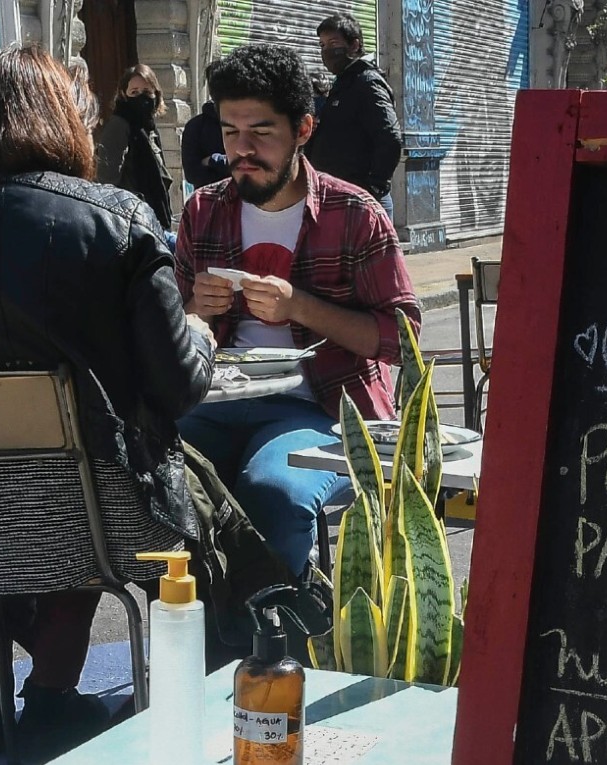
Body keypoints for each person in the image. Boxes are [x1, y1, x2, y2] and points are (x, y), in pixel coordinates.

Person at [0, 44, 213, 762]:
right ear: (68, 120)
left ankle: (29, 708)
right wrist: (203, 334)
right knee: (155, 504)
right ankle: (204, 706)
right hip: (97, 525)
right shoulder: (119, 216)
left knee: (59, 486)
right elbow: (178, 384)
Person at [175, 43, 420, 580]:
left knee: (273, 493)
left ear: (303, 129)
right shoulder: (203, 209)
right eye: (229, 132)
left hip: (319, 407)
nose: (243, 150)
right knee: (153, 486)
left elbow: (403, 340)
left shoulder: (354, 213)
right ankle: (207, 642)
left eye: (261, 133)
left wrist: (302, 307)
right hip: (212, 401)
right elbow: (171, 331)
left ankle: (268, 643)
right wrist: (194, 307)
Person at [305, 12, 404, 221]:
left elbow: (390, 137)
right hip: (339, 200)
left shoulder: (366, 82)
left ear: (355, 45)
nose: (327, 51)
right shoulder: (344, 83)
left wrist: (373, 189)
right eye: (322, 45)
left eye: (333, 43)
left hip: (361, 204)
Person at [95, 64, 174, 232]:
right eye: (134, 92)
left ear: (156, 94)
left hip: (153, 220)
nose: (141, 98)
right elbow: (106, 179)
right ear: (124, 95)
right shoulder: (119, 125)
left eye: (146, 92)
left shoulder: (149, 128)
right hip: (131, 223)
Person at [181, 100, 229, 189]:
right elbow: (192, 175)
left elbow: (248, 163)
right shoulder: (196, 126)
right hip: (210, 199)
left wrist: (213, 160)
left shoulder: (248, 122)